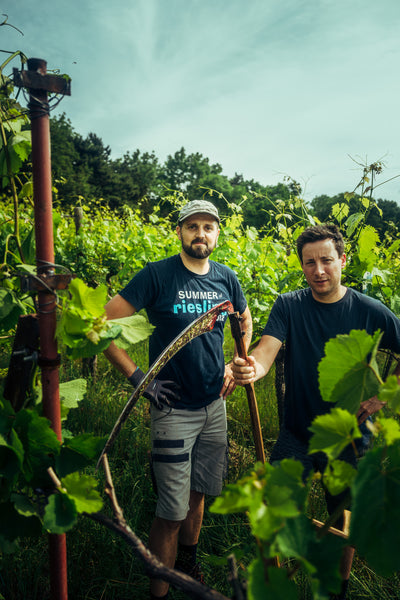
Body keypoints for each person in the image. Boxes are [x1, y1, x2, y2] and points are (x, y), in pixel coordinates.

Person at [231, 223, 400, 600]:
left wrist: (381, 398)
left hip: (350, 438)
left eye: (326, 260)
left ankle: (336, 589)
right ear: (302, 266)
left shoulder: (371, 311)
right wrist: (252, 369)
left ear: (343, 259)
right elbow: (266, 349)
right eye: (310, 263)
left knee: (344, 519)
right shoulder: (289, 305)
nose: (318, 270)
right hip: (297, 432)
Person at [104, 199, 252, 600]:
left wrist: (234, 363)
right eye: (192, 227)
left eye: (208, 227)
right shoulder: (157, 275)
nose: (200, 234)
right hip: (172, 411)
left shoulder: (227, 277)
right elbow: (104, 323)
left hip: (214, 407)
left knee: (199, 493)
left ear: (217, 233)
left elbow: (243, 317)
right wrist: (139, 379)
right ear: (179, 232)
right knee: (171, 510)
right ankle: (160, 592)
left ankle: (189, 562)